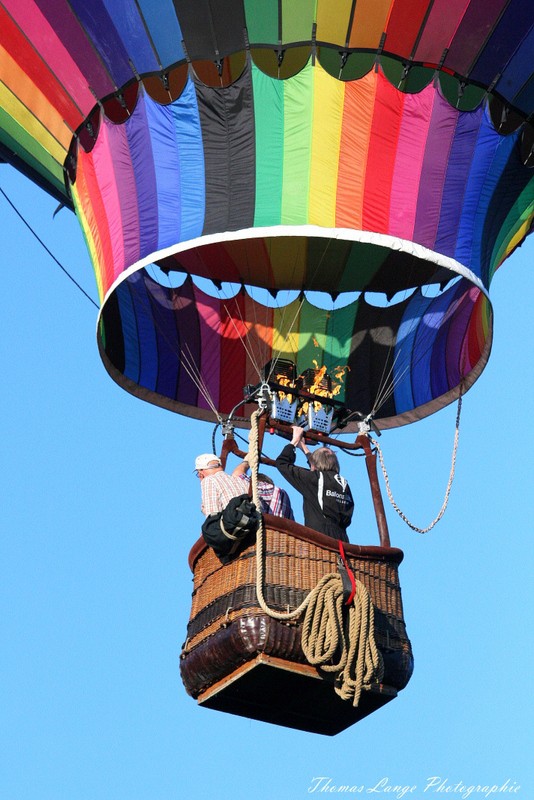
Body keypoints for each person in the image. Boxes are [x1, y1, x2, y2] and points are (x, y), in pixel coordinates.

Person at [275, 425, 354, 542]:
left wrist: (294, 441)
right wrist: (304, 449)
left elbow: (282, 463)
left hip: (319, 539)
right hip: (343, 540)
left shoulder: (314, 480)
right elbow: (317, 473)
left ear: (314, 465)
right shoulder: (343, 483)